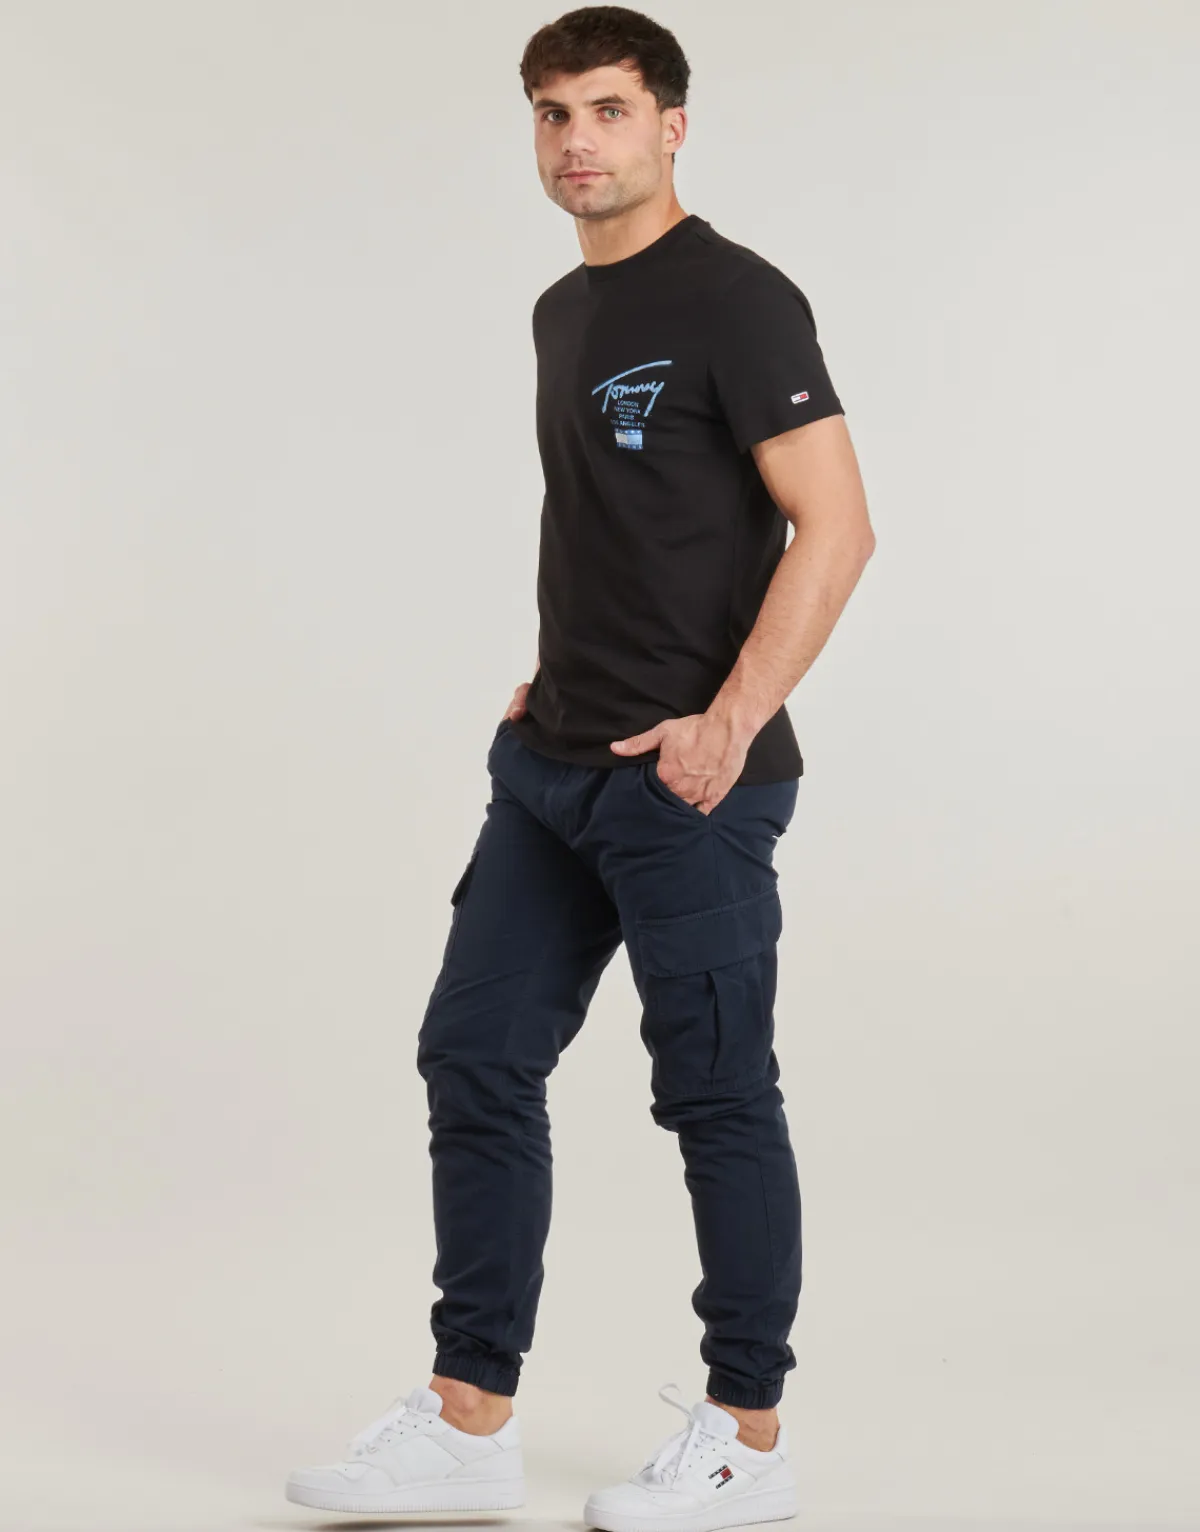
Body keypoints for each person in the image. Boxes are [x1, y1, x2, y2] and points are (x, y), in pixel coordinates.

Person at [285, 6, 873, 1526]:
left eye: (607, 110)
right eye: (552, 114)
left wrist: (727, 721)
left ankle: (748, 1439)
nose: (576, 142)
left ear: (671, 125)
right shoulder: (563, 308)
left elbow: (837, 526)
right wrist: (555, 679)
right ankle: (468, 1419)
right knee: (475, 1057)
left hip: (690, 787)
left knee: (716, 1095)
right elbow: (625, 524)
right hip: (552, 768)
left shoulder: (740, 299)